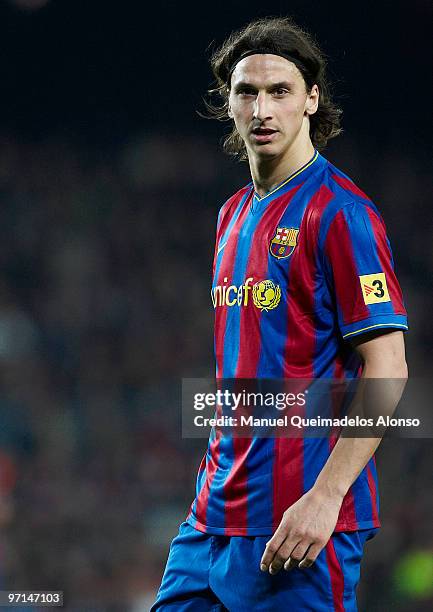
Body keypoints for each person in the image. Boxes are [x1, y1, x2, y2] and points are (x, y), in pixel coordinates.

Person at [151, 16, 408, 611]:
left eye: (280, 91)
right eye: (247, 92)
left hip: (300, 524)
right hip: (212, 517)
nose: (262, 108)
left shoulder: (341, 211)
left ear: (312, 100)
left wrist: (325, 498)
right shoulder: (232, 214)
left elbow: (388, 367)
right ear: (229, 105)